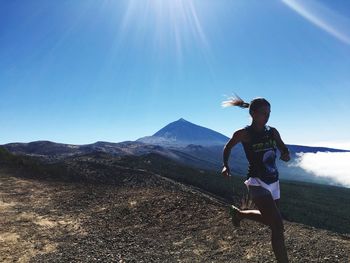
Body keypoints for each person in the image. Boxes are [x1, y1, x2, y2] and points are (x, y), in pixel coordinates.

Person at [221, 95, 291, 263]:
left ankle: (239, 214)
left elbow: (282, 148)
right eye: (263, 113)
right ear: (253, 113)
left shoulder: (272, 132)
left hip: (274, 181)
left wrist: (285, 154)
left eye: (269, 113)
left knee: (269, 219)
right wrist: (225, 165)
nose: (267, 116)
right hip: (256, 181)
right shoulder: (244, 134)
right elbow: (227, 147)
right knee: (277, 226)